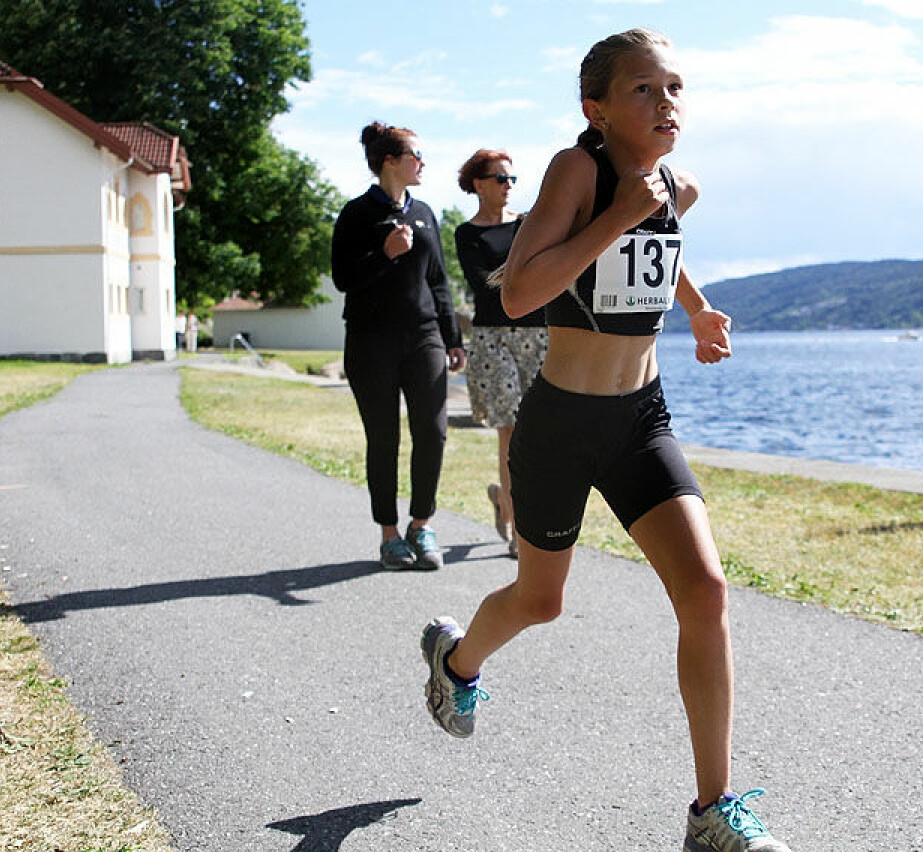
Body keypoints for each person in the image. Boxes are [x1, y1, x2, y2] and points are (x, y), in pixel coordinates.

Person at [421, 30, 792, 852]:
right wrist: (618, 214)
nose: (666, 105)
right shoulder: (575, 171)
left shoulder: (677, 184)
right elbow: (518, 291)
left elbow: (659, 244)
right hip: (560, 426)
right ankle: (456, 666)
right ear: (596, 106)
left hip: (640, 419)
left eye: (675, 89)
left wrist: (694, 306)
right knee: (540, 601)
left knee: (706, 592)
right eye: (643, 91)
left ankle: (712, 810)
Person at [331, 121, 465, 571]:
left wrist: (452, 337)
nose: (422, 163)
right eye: (415, 156)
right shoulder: (355, 213)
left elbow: (439, 281)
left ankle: (421, 524)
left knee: (433, 429)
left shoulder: (425, 211)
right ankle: (389, 535)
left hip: (424, 336)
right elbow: (343, 279)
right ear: (390, 161)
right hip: (371, 340)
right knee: (383, 437)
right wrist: (383, 254)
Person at [454, 149, 547, 559]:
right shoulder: (466, 234)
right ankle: (519, 533)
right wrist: (528, 273)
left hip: (540, 335)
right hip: (493, 337)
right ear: (478, 184)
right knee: (509, 431)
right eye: (500, 179)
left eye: (512, 179)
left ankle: (504, 498)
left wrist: (522, 274)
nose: (508, 186)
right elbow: (485, 284)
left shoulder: (529, 224)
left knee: (538, 432)